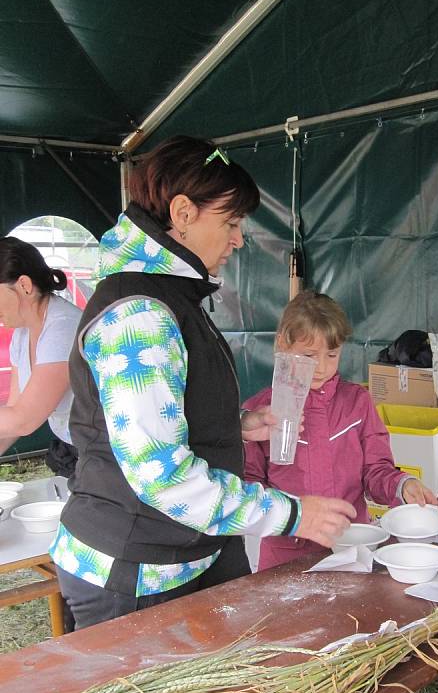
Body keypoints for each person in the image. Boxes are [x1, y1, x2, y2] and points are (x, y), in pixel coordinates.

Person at [50, 136, 355, 638]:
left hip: (193, 550)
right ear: (184, 212)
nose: (238, 240)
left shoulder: (171, 294)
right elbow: (161, 475)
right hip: (135, 570)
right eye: (231, 223)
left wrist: (234, 427)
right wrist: (291, 513)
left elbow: (162, 416)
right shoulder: (139, 314)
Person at [242, 290, 437, 693]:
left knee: (347, 650)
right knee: (292, 654)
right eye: (309, 356)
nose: (324, 366)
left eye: (333, 354)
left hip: (352, 550)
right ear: (283, 348)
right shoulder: (262, 411)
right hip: (285, 558)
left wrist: (400, 486)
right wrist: (282, 516)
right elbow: (249, 487)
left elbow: (376, 469)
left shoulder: (358, 401)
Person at [0, 237, 81, 476]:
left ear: (24, 285)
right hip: (71, 450)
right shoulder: (22, 334)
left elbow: (24, 419)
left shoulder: (63, 327)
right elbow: (14, 413)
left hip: (104, 456)